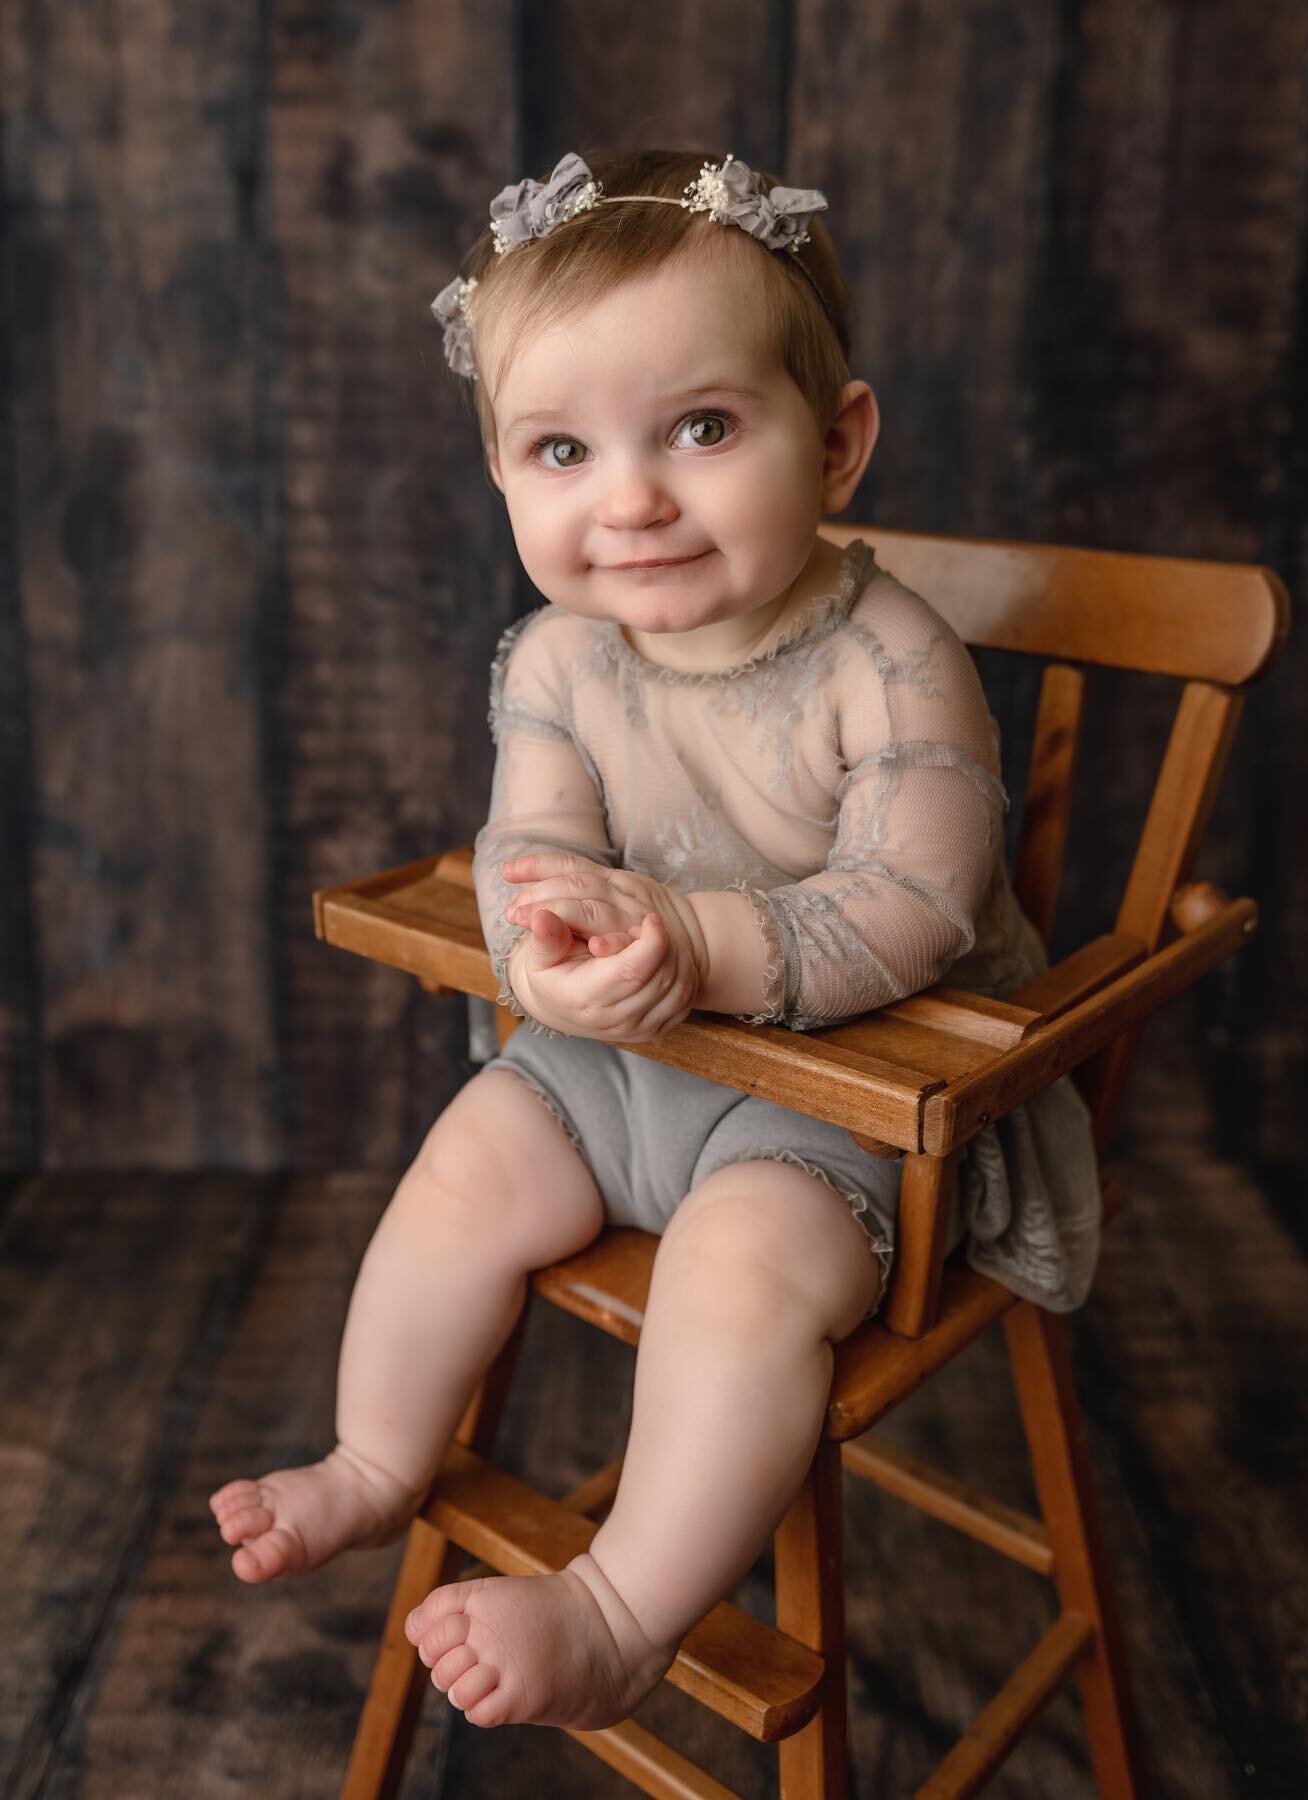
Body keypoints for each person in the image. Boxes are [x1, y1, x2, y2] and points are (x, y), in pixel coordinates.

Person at [209, 148, 1102, 1732]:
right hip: (628, 1057)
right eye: (561, 448)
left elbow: (918, 900)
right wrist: (542, 939)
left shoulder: (889, 658)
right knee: (466, 1165)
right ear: (503, 477)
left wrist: (690, 940)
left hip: (851, 1112)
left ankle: (621, 1609)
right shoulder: (560, 659)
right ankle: (369, 1455)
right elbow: (530, 842)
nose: (629, 497)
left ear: (835, 444)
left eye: (701, 427)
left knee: (733, 1278)